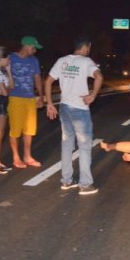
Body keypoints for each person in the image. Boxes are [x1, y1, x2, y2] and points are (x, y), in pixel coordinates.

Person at [45, 37, 103, 196]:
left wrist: (50, 103)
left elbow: (48, 81)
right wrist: (93, 95)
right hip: (80, 109)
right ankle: (85, 184)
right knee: (84, 147)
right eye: (89, 48)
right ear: (86, 47)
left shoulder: (62, 61)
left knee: (67, 144)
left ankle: (66, 180)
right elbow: (99, 76)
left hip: (64, 107)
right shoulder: (86, 62)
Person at [8, 36, 44, 169]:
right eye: (33, 48)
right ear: (26, 46)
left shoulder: (34, 60)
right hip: (15, 97)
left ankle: (27, 156)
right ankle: (16, 157)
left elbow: (37, 78)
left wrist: (40, 96)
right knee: (15, 130)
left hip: (29, 98)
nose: (34, 51)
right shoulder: (11, 58)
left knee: (29, 129)